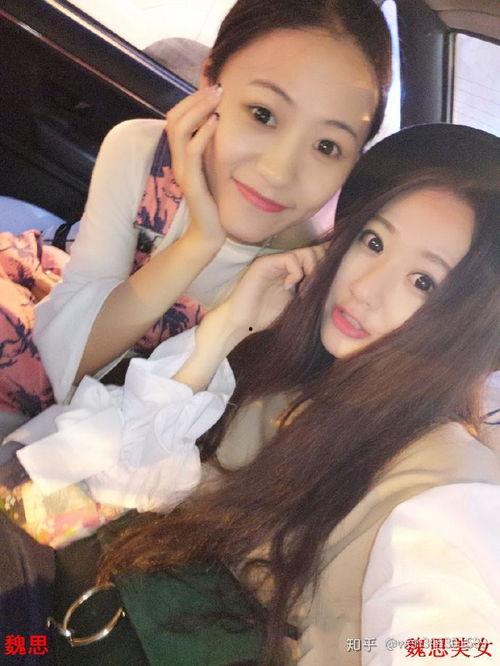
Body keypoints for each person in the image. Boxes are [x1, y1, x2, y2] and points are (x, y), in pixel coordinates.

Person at [37, 123, 499, 664]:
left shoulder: (446, 491)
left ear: (468, 325)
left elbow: (455, 619)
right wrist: (227, 327)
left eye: (423, 282)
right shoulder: (292, 378)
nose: (364, 288)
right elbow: (80, 474)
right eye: (373, 242)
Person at [26, 0, 391, 415]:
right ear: (209, 83)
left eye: (327, 146)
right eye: (263, 114)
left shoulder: (304, 272)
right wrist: (199, 242)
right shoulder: (142, 156)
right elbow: (57, 364)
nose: (278, 171)